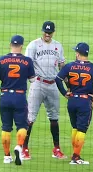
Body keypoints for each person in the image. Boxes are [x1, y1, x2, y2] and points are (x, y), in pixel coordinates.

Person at [0, 35, 36, 165]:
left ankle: (7, 156)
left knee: (6, 127)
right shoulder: (27, 61)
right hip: (19, 97)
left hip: (5, 97)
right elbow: (32, 79)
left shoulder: (1, 60)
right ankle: (19, 146)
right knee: (22, 125)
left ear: (10, 45)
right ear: (21, 46)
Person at [23, 20, 67, 160]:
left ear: (53, 32)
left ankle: (57, 149)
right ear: (42, 31)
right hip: (38, 83)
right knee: (30, 117)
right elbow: (26, 64)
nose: (47, 34)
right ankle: (24, 148)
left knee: (54, 117)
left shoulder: (58, 45)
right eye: (45, 32)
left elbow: (62, 66)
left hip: (53, 84)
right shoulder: (33, 45)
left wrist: (68, 84)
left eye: (49, 32)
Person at [55, 42, 93, 165]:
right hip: (85, 102)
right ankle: (76, 157)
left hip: (72, 101)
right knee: (82, 129)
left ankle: (75, 155)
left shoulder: (69, 66)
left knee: (75, 128)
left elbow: (57, 78)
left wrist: (64, 93)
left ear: (77, 54)